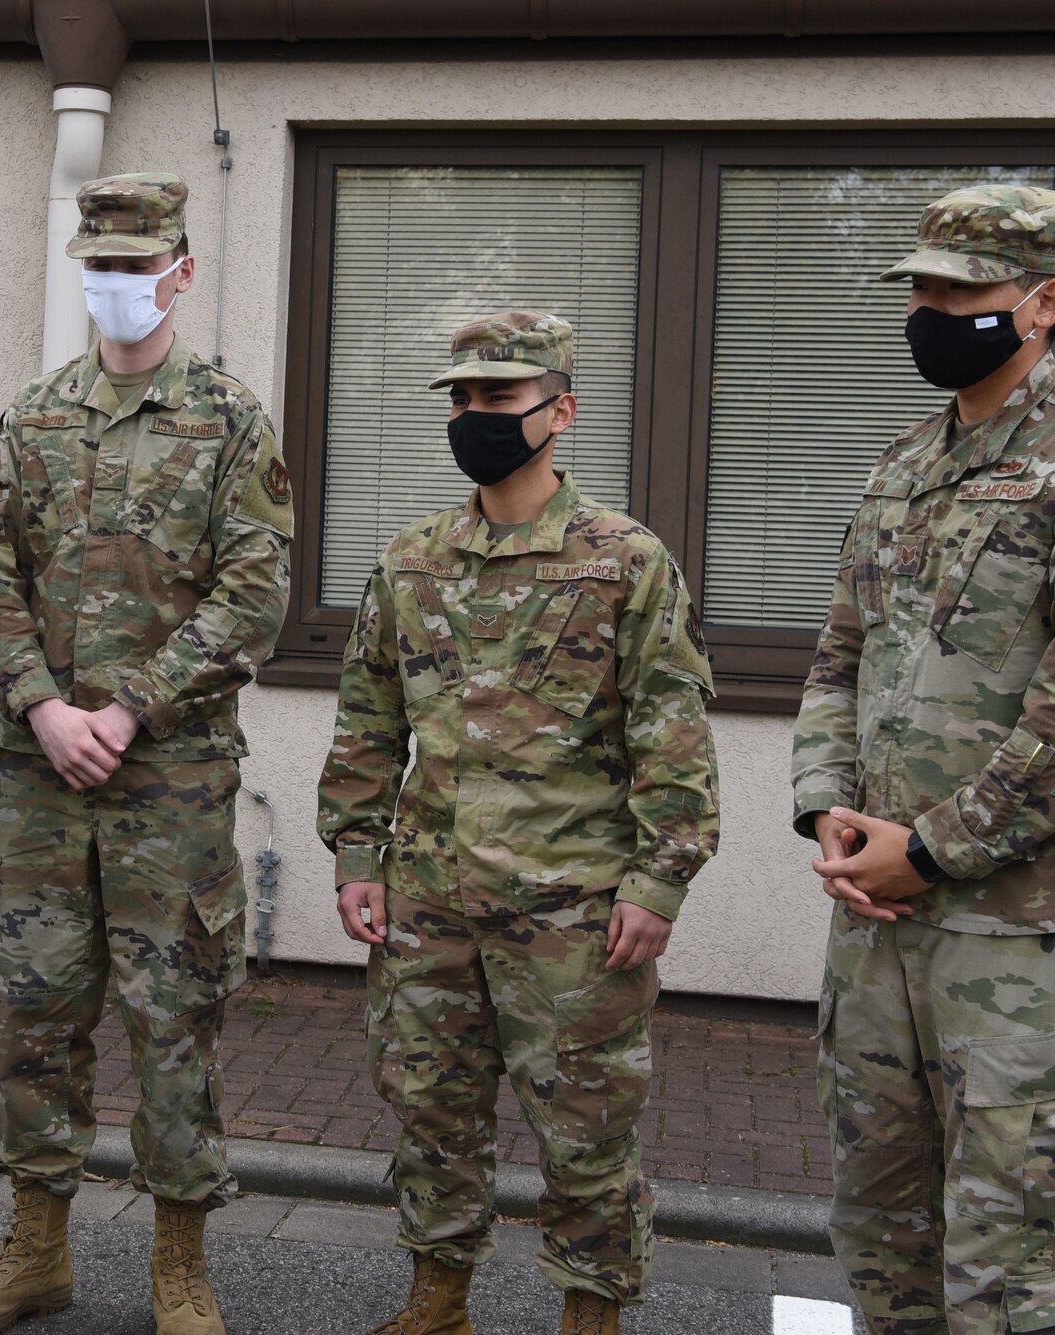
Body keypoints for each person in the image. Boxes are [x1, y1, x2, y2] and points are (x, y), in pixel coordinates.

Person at [793, 185, 1055, 1334]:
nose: (926, 310)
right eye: (918, 288)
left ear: (1040, 303)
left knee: (1008, 1276)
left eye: (956, 292)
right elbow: (838, 657)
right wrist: (825, 809)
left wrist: (929, 847)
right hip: (878, 939)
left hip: (1024, 944)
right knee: (884, 1252)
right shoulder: (903, 466)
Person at [0, 172, 292, 1335]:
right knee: (33, 1017)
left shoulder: (230, 421)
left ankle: (177, 1267)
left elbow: (253, 594)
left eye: (140, 265)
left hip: (167, 783)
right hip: (41, 778)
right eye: (102, 265)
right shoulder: (30, 416)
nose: (120, 284)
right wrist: (42, 707)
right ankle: (35, 1251)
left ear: (180, 272)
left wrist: (128, 708)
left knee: (173, 1018)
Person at [318, 312, 720, 1335]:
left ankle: (590, 1318)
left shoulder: (621, 562)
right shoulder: (412, 562)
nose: (474, 416)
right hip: (429, 905)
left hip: (573, 913)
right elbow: (368, 720)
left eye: (497, 398)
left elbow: (671, 739)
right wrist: (357, 855)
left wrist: (657, 882)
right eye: (460, 399)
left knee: (585, 1130)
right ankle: (436, 1302)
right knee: (430, 1113)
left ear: (559, 412)